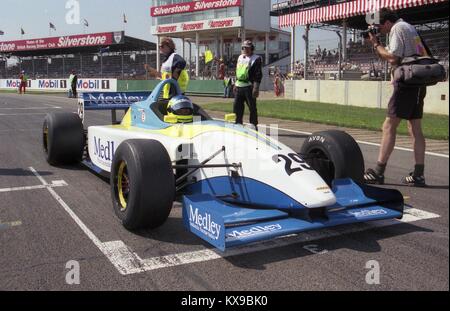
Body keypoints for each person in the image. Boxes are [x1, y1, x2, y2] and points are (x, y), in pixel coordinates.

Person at [364, 8, 428, 187]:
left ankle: (378, 171)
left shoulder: (397, 29)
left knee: (388, 125)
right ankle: (418, 174)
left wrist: (376, 44)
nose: (380, 30)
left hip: (406, 84)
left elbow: (393, 57)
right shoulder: (408, 27)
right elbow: (419, 52)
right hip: (417, 82)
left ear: (386, 22)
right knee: (414, 127)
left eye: (379, 26)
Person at [233, 40, 263, 129]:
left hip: (249, 87)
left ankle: (253, 125)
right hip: (239, 86)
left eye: (247, 48)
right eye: (243, 47)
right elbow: (237, 71)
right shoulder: (240, 57)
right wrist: (235, 83)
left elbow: (258, 74)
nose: (244, 49)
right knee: (237, 107)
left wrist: (256, 87)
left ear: (251, 48)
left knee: (252, 107)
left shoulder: (256, 58)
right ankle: (238, 123)